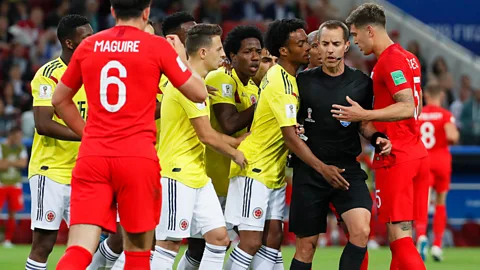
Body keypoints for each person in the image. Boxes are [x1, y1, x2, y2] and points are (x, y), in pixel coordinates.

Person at [53, 0, 207, 268]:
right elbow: (199, 93)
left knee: (78, 249)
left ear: (113, 11)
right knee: (137, 252)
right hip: (137, 158)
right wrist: (181, 58)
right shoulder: (156, 46)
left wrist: (87, 134)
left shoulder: (89, 45)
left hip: (94, 156)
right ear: (146, 11)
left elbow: (59, 100)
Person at [290, 20, 392, 270]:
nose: (330, 50)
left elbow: (364, 123)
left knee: (360, 231)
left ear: (346, 46)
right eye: (325, 44)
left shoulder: (361, 83)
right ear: (318, 46)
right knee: (306, 247)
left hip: (347, 169)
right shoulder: (301, 82)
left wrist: (378, 138)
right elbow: (289, 123)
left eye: (336, 44)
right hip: (310, 172)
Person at [152, 24, 247, 270]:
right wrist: (236, 153)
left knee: (218, 239)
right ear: (203, 53)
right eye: (219, 48)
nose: (224, 55)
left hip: (197, 176)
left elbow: (206, 132)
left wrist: (236, 141)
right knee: (168, 244)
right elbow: (206, 135)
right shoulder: (187, 86)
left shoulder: (195, 83)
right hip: (177, 174)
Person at [342, 3, 429, 269]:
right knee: (404, 235)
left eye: (355, 35)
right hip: (416, 151)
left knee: (398, 238)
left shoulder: (388, 61)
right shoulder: (409, 58)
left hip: (397, 156)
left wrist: (363, 116)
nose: (354, 41)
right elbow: (418, 105)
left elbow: (406, 106)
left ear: (370, 30)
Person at [173, 25, 263, 270]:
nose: (255, 57)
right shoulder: (214, 79)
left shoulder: (252, 88)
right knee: (177, 245)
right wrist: (236, 148)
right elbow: (221, 128)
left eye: (259, 51)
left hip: (227, 179)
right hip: (199, 176)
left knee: (224, 241)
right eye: (248, 51)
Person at [223, 18, 311, 270]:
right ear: (283, 50)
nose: (307, 47)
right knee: (250, 242)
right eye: (301, 43)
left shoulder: (291, 80)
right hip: (255, 168)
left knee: (273, 238)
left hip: (274, 172)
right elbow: (289, 137)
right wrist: (321, 167)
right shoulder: (279, 80)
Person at [87, 19, 159, 270]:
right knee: (130, 236)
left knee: (140, 237)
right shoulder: (132, 73)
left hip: (148, 159)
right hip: (131, 159)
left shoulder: (160, 69)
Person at [24, 14, 93, 270]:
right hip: (50, 171)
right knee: (44, 243)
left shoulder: (94, 73)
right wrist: (88, 135)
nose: (93, 40)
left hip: (83, 172)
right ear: (70, 43)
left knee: (86, 244)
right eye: (86, 37)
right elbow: (43, 124)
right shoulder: (49, 74)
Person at [418, 83, 459, 262]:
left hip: (423, 160)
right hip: (442, 161)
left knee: (422, 201)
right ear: (441, 96)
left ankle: (421, 236)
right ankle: (437, 246)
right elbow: (453, 136)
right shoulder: (446, 115)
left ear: (426, 95)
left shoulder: (419, 115)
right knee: (440, 202)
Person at [0, 127, 27, 248]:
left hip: (15, 184)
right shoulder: (1, 147)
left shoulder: (21, 148)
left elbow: (23, 163)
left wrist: (9, 162)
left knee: (13, 213)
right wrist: (16, 162)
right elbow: (1, 166)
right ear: (11, 135)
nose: (19, 139)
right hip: (2, 184)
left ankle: (7, 240)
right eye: (17, 136)